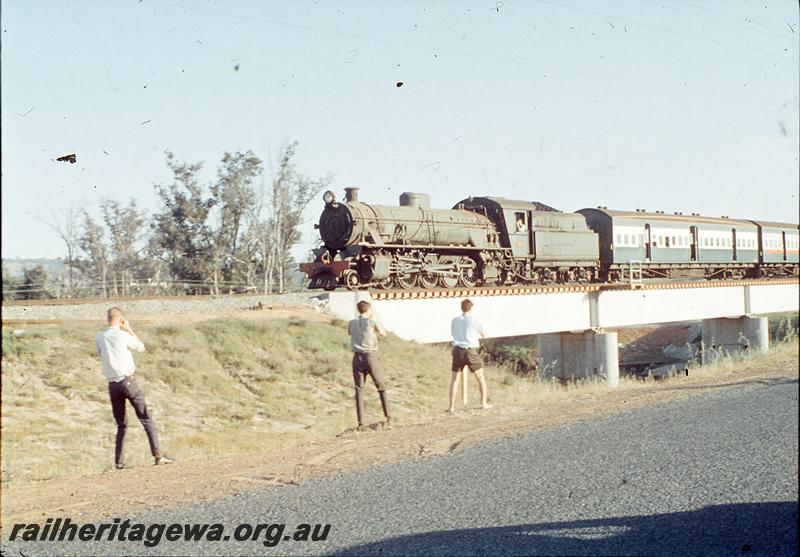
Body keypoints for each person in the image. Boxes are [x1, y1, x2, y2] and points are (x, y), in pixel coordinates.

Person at [95, 307, 172, 469]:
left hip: (112, 385)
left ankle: (119, 462)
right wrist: (129, 329)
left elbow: (101, 354)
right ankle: (158, 455)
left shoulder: (99, 337)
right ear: (120, 319)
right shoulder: (123, 335)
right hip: (128, 381)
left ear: (107, 318)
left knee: (121, 424)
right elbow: (141, 347)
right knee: (146, 418)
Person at [347, 300, 392, 430]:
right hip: (370, 356)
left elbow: (351, 333)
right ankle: (388, 416)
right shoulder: (371, 321)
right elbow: (383, 334)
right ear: (368, 310)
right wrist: (372, 319)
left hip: (357, 357)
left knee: (359, 389)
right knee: (381, 386)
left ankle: (361, 423)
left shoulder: (352, 323)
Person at [448, 299, 492, 412]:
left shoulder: (455, 320)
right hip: (470, 351)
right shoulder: (474, 320)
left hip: (457, 351)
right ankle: (484, 403)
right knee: (481, 378)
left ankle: (451, 407)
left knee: (454, 380)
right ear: (471, 308)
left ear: (461, 308)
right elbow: (483, 334)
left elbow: (453, 334)